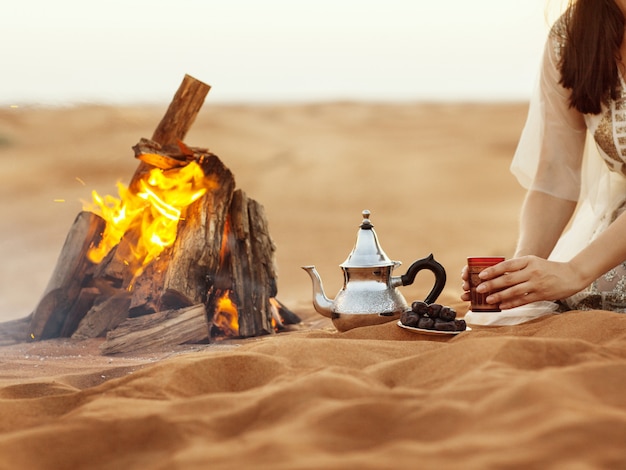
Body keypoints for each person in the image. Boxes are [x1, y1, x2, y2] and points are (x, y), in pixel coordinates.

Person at [462, 0, 626, 313]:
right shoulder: (572, 37)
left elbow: (577, 272)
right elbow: (556, 174)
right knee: (584, 299)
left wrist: (575, 271)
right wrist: (516, 276)